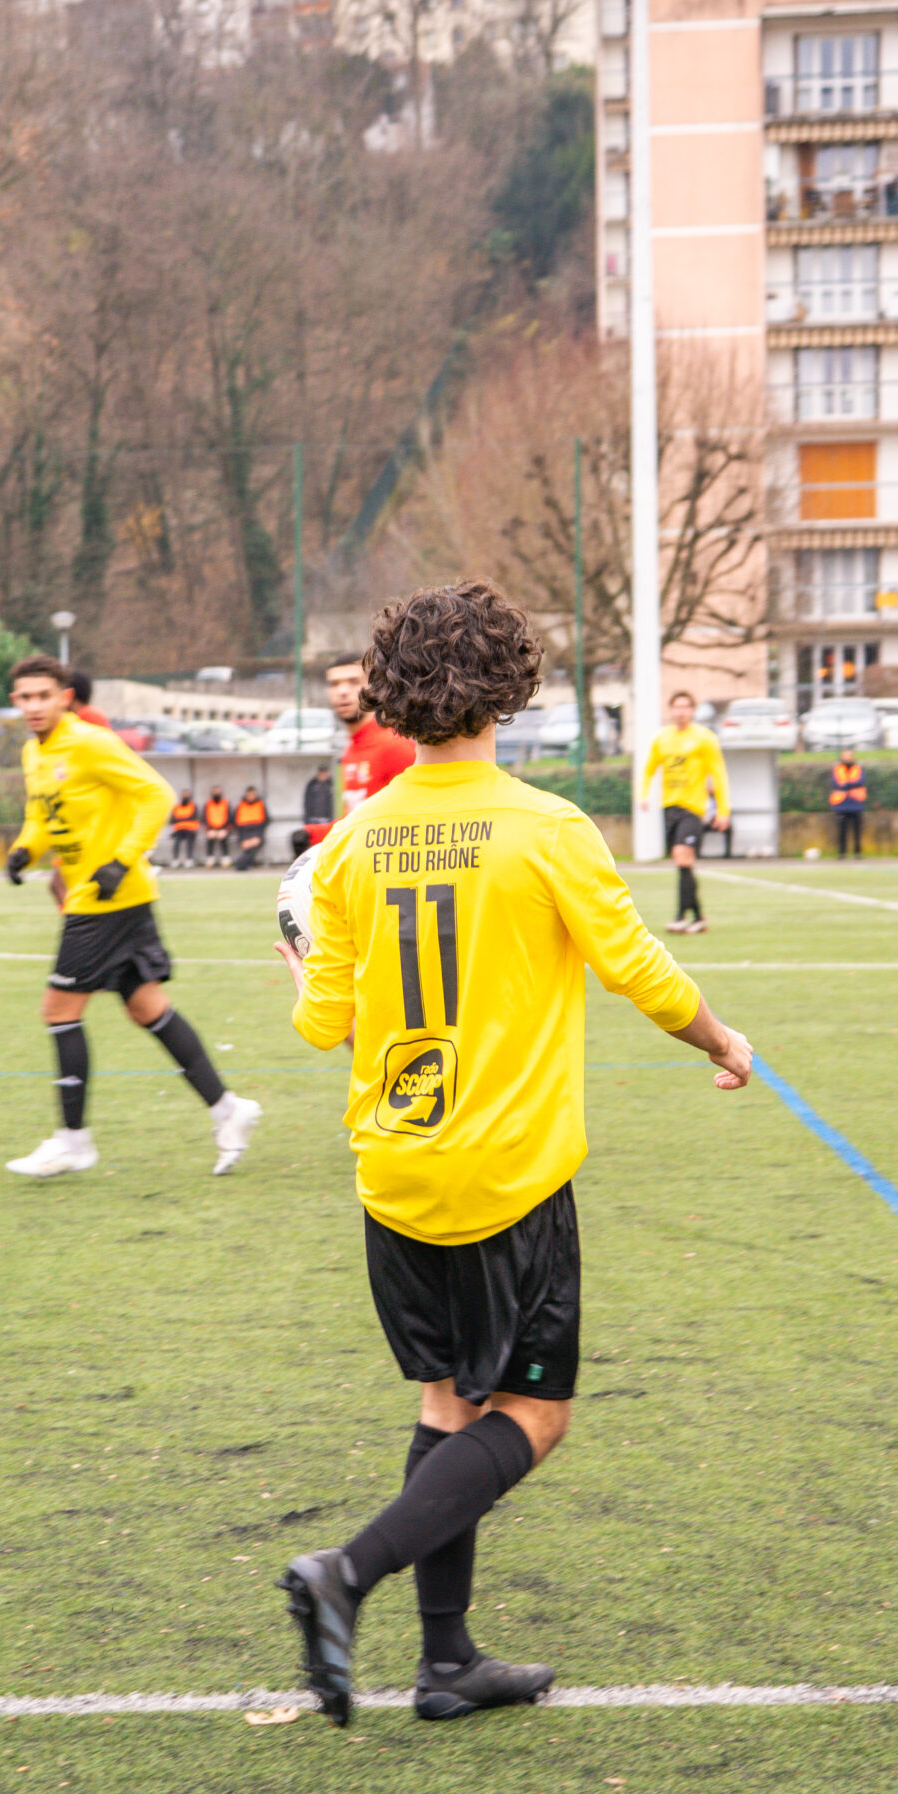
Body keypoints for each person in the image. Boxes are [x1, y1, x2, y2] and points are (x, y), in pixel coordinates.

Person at [275, 581, 753, 1727]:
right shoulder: (545, 827)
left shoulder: (349, 845)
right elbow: (641, 971)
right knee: (534, 1415)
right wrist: (720, 1039)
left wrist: (295, 956)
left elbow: (323, 1024)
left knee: (449, 1404)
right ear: (510, 689)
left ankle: (445, 1663)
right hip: (508, 1175)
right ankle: (347, 1571)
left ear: (389, 695)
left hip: (394, 1171)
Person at [1, 655, 260, 1180]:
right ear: (15, 702)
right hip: (103, 899)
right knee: (146, 1008)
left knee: (58, 1010)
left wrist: (121, 861)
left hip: (107, 900)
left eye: (43, 695)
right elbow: (42, 817)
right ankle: (228, 1108)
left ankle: (73, 1142)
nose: (33, 706)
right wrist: (25, 849)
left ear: (65, 697)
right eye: (24, 697)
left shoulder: (89, 742)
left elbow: (155, 794)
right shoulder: (34, 752)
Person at [639, 689, 730, 935]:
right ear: (671, 710)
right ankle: (698, 917)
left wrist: (723, 810)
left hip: (693, 808)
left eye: (685, 707)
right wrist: (643, 794)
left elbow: (719, 775)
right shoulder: (662, 739)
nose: (681, 712)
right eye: (677, 707)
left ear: (692, 711)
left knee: (682, 857)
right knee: (683, 863)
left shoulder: (705, 738)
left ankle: (680, 917)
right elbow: (649, 769)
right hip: (669, 808)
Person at [325, 650, 414, 813]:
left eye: (353, 682)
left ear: (373, 688)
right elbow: (353, 821)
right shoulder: (350, 751)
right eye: (334, 684)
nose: (342, 691)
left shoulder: (395, 747)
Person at [829, 753, 868, 857]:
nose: (848, 758)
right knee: (842, 831)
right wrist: (852, 784)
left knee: (857, 830)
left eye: (849, 756)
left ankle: (857, 852)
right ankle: (842, 853)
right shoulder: (837, 769)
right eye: (845, 756)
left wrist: (845, 784)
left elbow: (860, 782)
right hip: (841, 804)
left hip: (856, 804)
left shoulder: (858, 768)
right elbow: (835, 783)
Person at [233, 785, 267, 870]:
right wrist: (243, 838)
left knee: (254, 844)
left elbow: (265, 820)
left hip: (257, 830)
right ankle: (245, 863)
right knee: (248, 846)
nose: (251, 797)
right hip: (244, 831)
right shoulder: (241, 805)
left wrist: (259, 835)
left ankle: (240, 864)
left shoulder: (260, 804)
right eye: (249, 795)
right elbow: (236, 822)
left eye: (253, 795)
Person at [203, 787, 231, 867]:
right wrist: (209, 829)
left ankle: (225, 857)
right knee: (211, 835)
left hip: (223, 828)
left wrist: (224, 829)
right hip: (211, 828)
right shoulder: (208, 804)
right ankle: (210, 858)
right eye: (215, 792)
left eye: (218, 792)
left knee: (222, 835)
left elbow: (229, 817)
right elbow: (204, 817)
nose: (216, 793)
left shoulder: (225, 803)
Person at [170, 793, 199, 868]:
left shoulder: (193, 806)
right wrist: (185, 818)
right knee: (177, 841)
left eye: (186, 795)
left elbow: (193, 817)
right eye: (184, 795)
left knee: (190, 841)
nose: (185, 797)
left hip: (190, 829)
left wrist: (181, 819)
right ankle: (175, 860)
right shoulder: (177, 807)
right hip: (179, 829)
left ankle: (189, 859)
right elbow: (173, 819)